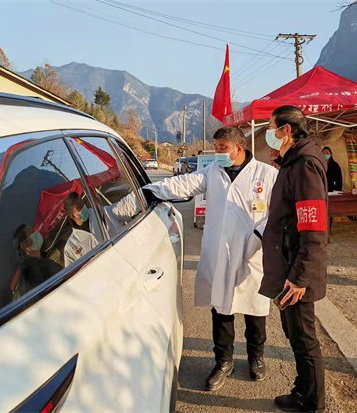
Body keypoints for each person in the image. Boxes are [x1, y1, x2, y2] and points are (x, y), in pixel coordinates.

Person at [113, 127, 278, 391]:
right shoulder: (213, 171)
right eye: (216, 146)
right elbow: (181, 184)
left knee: (254, 309)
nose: (217, 152)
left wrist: (258, 236)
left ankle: (256, 357)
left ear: (238, 148)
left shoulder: (267, 174)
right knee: (221, 309)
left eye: (222, 148)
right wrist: (146, 192)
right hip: (219, 253)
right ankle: (223, 362)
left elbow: (278, 212)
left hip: (251, 253)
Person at [260, 105, 328, 413]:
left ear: (286, 130)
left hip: (296, 271)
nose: (268, 133)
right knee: (294, 333)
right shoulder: (293, 162)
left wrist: (300, 276)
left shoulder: (304, 165)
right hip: (289, 264)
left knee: (303, 337)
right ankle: (303, 390)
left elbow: (313, 227)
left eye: (271, 127)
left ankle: (311, 402)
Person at [11, 224, 62, 297]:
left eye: (34, 231)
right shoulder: (29, 273)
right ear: (24, 245)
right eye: (32, 233)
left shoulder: (41, 261)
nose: (36, 233)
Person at [63, 192, 99, 266]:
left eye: (82, 203)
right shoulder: (70, 247)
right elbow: (72, 271)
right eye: (79, 207)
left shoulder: (100, 215)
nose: (83, 208)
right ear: (72, 215)